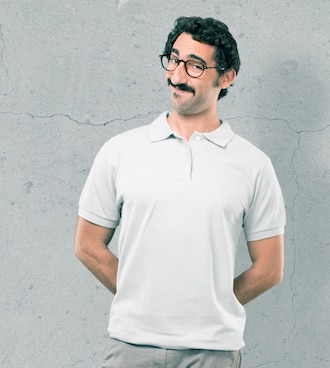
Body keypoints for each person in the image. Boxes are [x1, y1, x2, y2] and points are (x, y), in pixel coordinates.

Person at [73, 16, 286, 368]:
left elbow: (270, 268)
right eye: (174, 59)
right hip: (131, 346)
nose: (177, 75)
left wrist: (209, 304)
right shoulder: (120, 151)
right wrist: (141, 297)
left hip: (213, 351)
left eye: (195, 66)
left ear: (227, 77)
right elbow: (87, 244)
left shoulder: (253, 165)